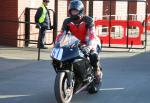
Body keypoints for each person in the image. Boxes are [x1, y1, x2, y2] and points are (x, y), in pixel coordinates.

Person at [55, 0, 103, 93]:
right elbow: (61, 34)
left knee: (93, 55)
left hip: (91, 42)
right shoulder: (67, 21)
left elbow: (92, 35)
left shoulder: (88, 20)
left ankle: (97, 73)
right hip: (76, 43)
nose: (73, 13)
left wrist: (89, 47)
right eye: (72, 11)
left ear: (81, 11)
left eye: (75, 11)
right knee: (66, 57)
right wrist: (57, 44)